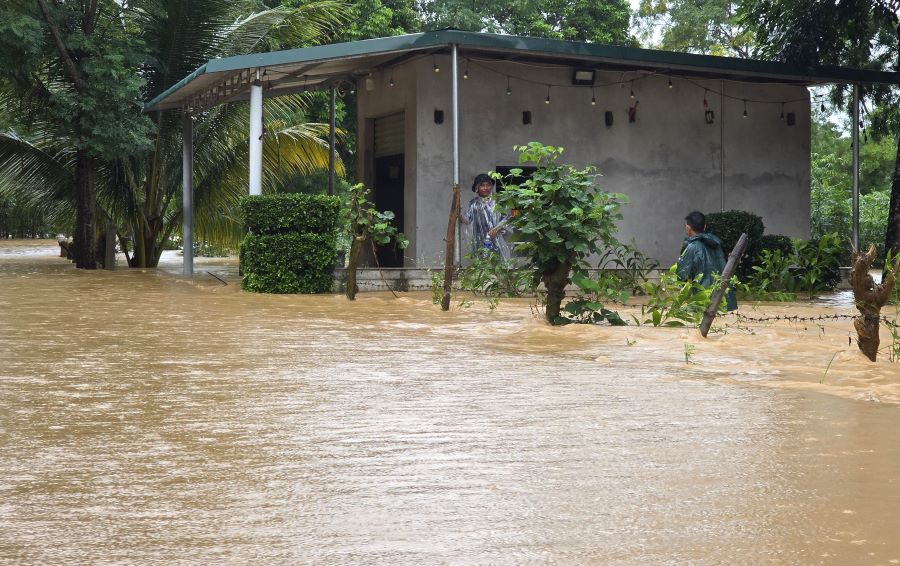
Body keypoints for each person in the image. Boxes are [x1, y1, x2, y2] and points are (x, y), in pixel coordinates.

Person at [676, 210, 737, 311]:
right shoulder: (716, 245)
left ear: (688, 228)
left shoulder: (692, 247)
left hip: (705, 304)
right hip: (727, 303)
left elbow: (681, 276)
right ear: (704, 226)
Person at [459, 173, 511, 260]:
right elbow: (467, 219)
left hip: (498, 238)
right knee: (482, 262)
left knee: (498, 263)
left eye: (488, 185)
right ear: (477, 188)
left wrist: (497, 229)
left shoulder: (499, 202)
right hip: (479, 238)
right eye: (482, 185)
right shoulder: (473, 204)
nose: (486, 188)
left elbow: (508, 218)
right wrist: (458, 213)